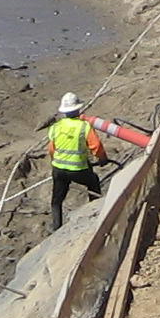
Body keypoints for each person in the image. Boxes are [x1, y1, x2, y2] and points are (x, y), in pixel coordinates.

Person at [45, 92, 112, 232]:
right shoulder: (84, 126)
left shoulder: (56, 127)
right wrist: (102, 159)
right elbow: (96, 146)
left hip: (58, 169)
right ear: (78, 109)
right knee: (93, 182)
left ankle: (56, 227)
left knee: (56, 201)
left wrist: (57, 161)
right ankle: (95, 214)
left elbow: (51, 149)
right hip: (78, 169)